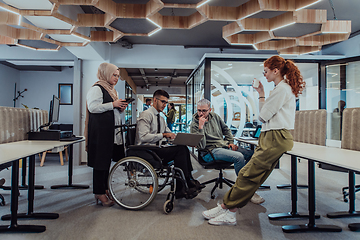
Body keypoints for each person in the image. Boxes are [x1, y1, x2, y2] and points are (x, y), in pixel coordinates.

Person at [202, 55, 305, 226]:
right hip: (273, 136)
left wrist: (262, 97)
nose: (264, 75)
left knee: (247, 175)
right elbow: (264, 116)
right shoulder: (280, 89)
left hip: (275, 137)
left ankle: (227, 207)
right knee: (252, 177)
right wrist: (262, 94)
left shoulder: (282, 89)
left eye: (266, 71)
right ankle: (228, 209)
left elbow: (262, 117)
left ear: (276, 71)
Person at [190, 98, 264, 204]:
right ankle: (244, 191)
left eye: (204, 111)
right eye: (199, 110)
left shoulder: (215, 117)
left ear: (210, 110)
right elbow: (201, 145)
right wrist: (201, 127)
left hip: (223, 146)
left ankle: (248, 184)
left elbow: (226, 129)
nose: (201, 113)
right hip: (209, 152)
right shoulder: (194, 125)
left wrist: (230, 141)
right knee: (238, 157)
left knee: (252, 155)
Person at [135, 89, 203, 199]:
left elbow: (170, 134)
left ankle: (188, 180)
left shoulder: (161, 118)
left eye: (166, 102)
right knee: (179, 150)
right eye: (163, 102)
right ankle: (183, 185)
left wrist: (185, 140)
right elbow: (143, 137)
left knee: (183, 147)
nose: (165, 105)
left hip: (158, 149)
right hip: (148, 150)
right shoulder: (146, 115)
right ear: (155, 100)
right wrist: (163, 135)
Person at [85, 62, 128, 207]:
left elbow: (110, 110)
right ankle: (98, 192)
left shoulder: (112, 91)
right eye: (114, 75)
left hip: (110, 131)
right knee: (100, 163)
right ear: (105, 74)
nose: (116, 78)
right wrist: (113, 105)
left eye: (117, 76)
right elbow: (93, 107)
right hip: (101, 132)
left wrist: (120, 108)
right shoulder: (97, 88)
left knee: (106, 162)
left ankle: (104, 189)